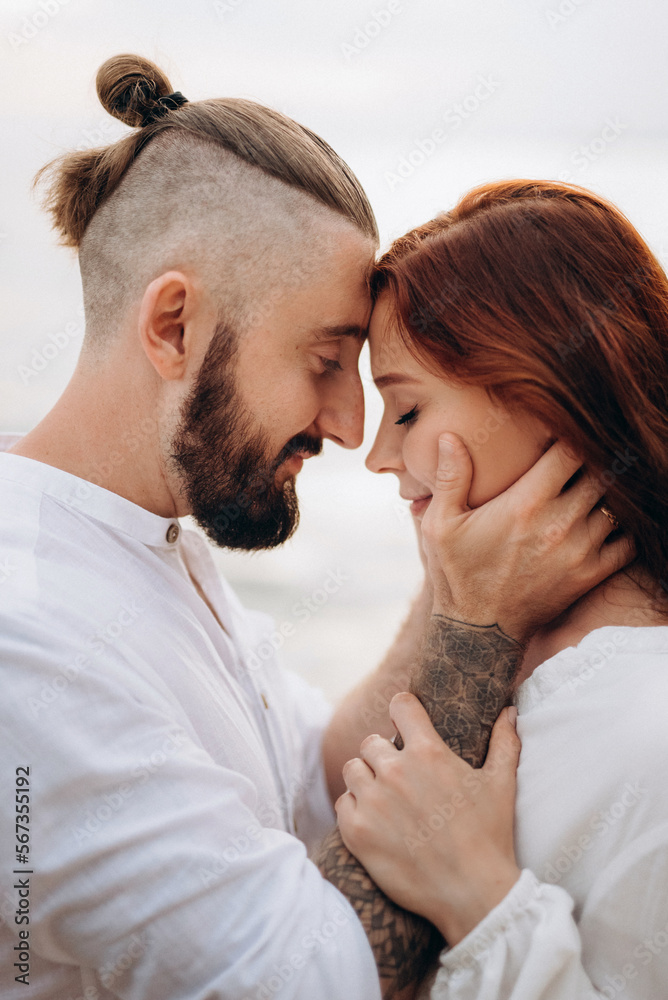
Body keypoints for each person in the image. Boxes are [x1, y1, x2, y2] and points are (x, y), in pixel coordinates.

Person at [0, 53, 628, 999]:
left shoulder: (136, 538)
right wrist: (478, 631)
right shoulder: (28, 634)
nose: (346, 425)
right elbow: (317, 978)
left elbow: (321, 777)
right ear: (174, 326)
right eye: (326, 359)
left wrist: (454, 574)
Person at [336, 179, 668, 999]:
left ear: (544, 395)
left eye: (407, 411)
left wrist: (481, 901)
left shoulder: (651, 736)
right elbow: (334, 775)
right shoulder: (517, 643)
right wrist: (463, 599)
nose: (377, 455)